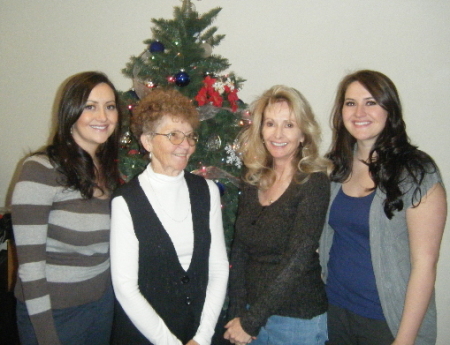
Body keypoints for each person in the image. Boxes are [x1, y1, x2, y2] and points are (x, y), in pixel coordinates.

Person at [319, 70, 447, 345]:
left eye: (371, 102)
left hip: (386, 322)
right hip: (334, 313)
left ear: (390, 110)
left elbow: (424, 265)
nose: (359, 112)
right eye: (351, 103)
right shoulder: (336, 169)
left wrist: (404, 340)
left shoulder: (416, 173)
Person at [110, 88, 229, 345]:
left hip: (202, 331)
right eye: (173, 135)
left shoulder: (206, 191)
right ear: (147, 142)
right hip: (147, 337)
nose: (185, 145)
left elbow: (218, 269)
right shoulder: (126, 201)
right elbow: (125, 287)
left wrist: (203, 336)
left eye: (189, 136)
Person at [11, 71, 121, 344]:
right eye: (90, 106)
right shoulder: (40, 169)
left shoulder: (108, 173)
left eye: (110, 106)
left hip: (100, 306)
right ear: (71, 112)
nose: (103, 117)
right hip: (53, 314)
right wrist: (46, 337)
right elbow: (30, 268)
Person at [224, 85, 331, 345]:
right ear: (261, 129)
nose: (278, 134)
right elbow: (239, 249)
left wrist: (251, 322)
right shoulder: (253, 178)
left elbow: (297, 259)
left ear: (303, 134)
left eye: (289, 125)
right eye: (270, 123)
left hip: (296, 320)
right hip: (250, 314)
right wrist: (238, 310)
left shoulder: (313, 182)